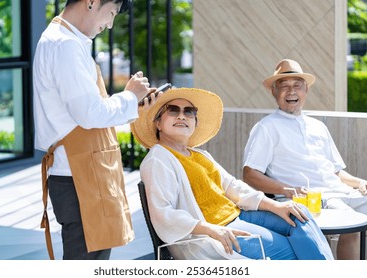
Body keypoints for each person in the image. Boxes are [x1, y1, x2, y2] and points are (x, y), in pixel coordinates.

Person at [130, 87, 334, 260]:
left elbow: (233, 186)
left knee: (299, 213)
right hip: (214, 232)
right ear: (158, 123)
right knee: (293, 251)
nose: (182, 115)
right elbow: (164, 213)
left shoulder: (200, 155)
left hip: (239, 214)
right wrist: (211, 230)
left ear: (195, 122)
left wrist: (276, 205)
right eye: (173, 111)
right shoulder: (159, 158)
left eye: (189, 111)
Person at [33, 0, 159, 260]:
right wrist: (129, 96)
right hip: (79, 177)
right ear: (91, 2)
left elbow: (87, 110)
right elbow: (90, 114)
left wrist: (132, 101)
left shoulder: (64, 40)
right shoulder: (65, 45)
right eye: (111, 12)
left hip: (81, 173)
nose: (110, 24)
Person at [243, 58, 367, 260]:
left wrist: (359, 182)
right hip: (311, 198)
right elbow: (250, 174)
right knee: (350, 222)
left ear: (306, 91)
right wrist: (285, 189)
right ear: (274, 92)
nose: (291, 91)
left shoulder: (318, 126)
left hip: (341, 191)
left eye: (297, 86)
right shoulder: (266, 127)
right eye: (284, 86)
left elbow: (335, 171)